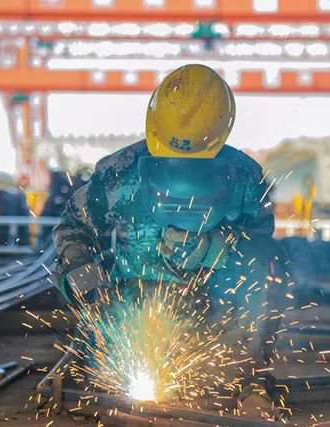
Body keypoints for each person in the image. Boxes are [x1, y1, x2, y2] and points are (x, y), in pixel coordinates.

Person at [53, 64, 285, 362]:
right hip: (131, 310)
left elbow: (262, 251)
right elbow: (74, 229)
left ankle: (248, 367)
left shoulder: (243, 178)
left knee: (271, 278)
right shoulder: (120, 173)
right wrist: (90, 287)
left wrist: (215, 249)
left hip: (213, 311)